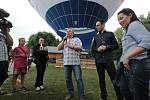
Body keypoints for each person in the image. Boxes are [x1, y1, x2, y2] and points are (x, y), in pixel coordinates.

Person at [117, 8, 150, 100]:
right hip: (128, 66)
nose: (119, 21)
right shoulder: (126, 30)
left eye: (121, 18)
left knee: (138, 96)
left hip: (138, 64)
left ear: (130, 15)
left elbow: (147, 42)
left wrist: (127, 56)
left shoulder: (134, 25)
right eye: (118, 19)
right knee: (125, 91)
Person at [91, 19, 122, 100]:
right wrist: (97, 50)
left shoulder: (110, 34)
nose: (96, 27)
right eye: (96, 25)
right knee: (101, 80)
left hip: (108, 60)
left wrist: (107, 47)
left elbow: (116, 45)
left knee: (114, 79)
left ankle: (120, 97)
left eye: (98, 25)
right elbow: (93, 49)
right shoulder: (95, 36)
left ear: (103, 25)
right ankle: (103, 97)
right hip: (99, 61)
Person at [57, 28, 85, 100]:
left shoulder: (77, 39)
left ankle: (81, 95)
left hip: (75, 62)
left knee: (78, 79)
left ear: (73, 33)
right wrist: (64, 40)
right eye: (67, 31)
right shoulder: (65, 40)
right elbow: (58, 48)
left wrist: (70, 45)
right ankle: (70, 93)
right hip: (66, 63)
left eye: (69, 31)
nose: (68, 32)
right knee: (67, 79)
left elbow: (80, 48)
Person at [0, 22, 13, 95]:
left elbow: (11, 42)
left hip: (4, 58)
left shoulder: (4, 35)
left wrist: (6, 32)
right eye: (8, 28)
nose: (9, 29)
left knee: (5, 75)